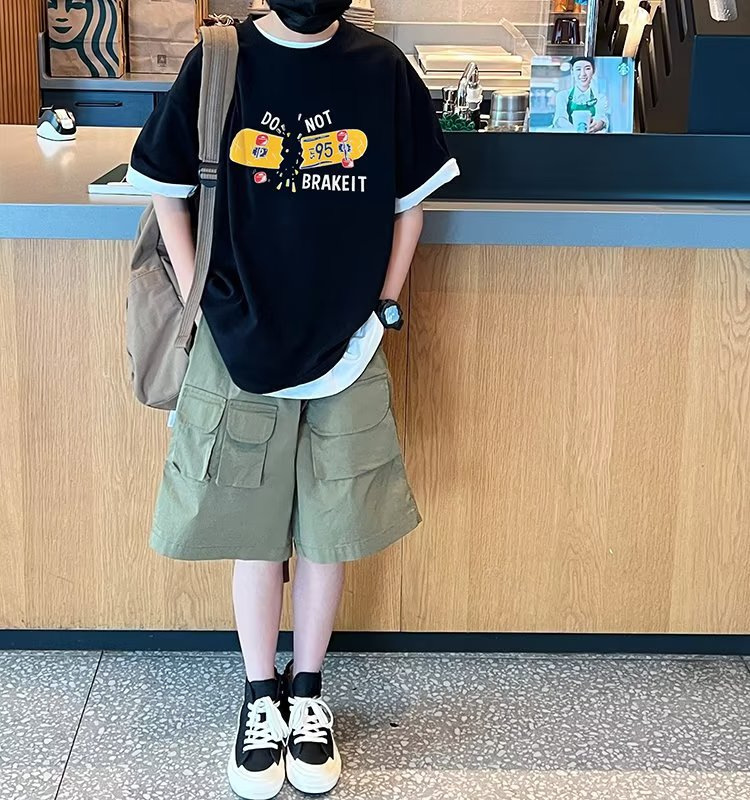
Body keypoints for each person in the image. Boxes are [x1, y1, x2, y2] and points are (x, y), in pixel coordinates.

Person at [126, 2, 459, 798]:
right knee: (254, 527)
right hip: (240, 339)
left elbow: (411, 203)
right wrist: (205, 302)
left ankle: (307, 691)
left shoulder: (381, 70)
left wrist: (383, 306)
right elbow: (166, 188)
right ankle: (258, 694)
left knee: (329, 529)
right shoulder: (220, 60)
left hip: (348, 344)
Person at [552, 56, 610, 133]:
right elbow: (560, 119)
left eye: (587, 69)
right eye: (578, 69)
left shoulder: (600, 98)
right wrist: (577, 132)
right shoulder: (562, 95)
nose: (583, 74)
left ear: (593, 71)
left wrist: (599, 124)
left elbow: (601, 117)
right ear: (572, 72)